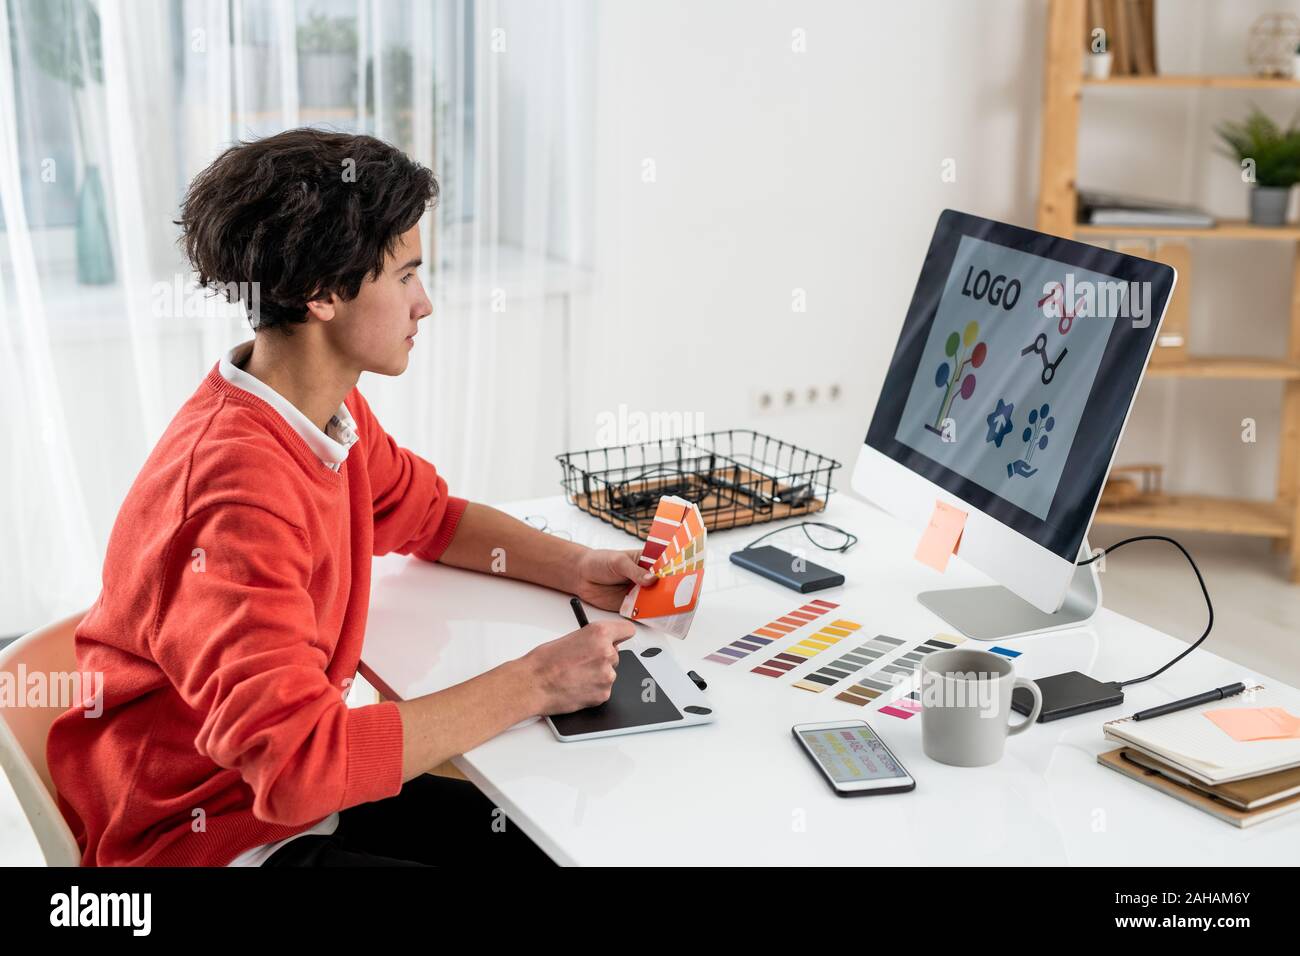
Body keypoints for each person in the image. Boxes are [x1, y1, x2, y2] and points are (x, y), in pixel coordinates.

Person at [46, 128, 651, 866]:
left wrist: (578, 566)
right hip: (211, 842)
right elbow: (298, 770)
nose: (423, 304)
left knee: (552, 842)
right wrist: (536, 681)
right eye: (405, 276)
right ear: (320, 293)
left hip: (288, 799)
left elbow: (431, 517)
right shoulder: (234, 495)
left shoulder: (322, 409)